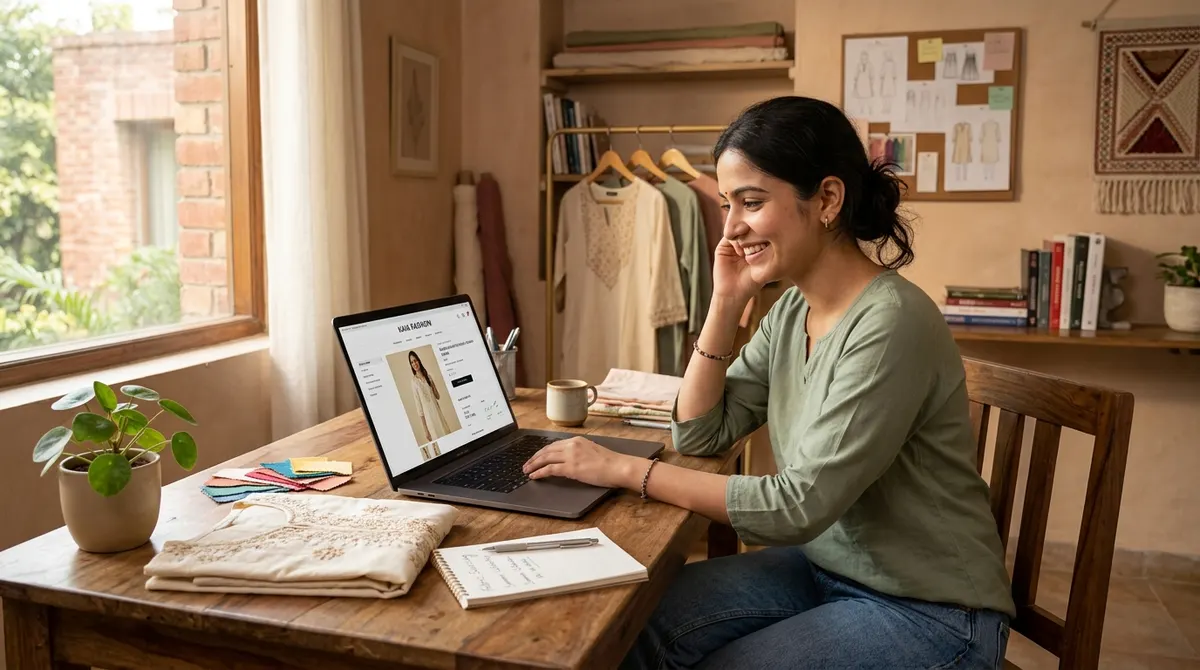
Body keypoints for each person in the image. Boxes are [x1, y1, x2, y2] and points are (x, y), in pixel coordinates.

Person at [522, 95, 1015, 669]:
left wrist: (624, 469)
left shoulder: (890, 324)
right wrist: (726, 301)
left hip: (933, 612)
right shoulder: (790, 312)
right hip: (825, 567)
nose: (731, 227)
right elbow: (700, 433)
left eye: (751, 202)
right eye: (729, 203)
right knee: (634, 625)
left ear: (827, 198)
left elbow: (795, 507)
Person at [408, 351, 449, 443]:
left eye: (415, 360)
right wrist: (425, 429)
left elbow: (437, 396)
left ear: (419, 361)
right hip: (429, 419)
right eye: (412, 362)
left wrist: (432, 383)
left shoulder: (428, 377)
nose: (414, 363)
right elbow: (419, 408)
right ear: (411, 365)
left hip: (438, 414)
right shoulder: (414, 382)